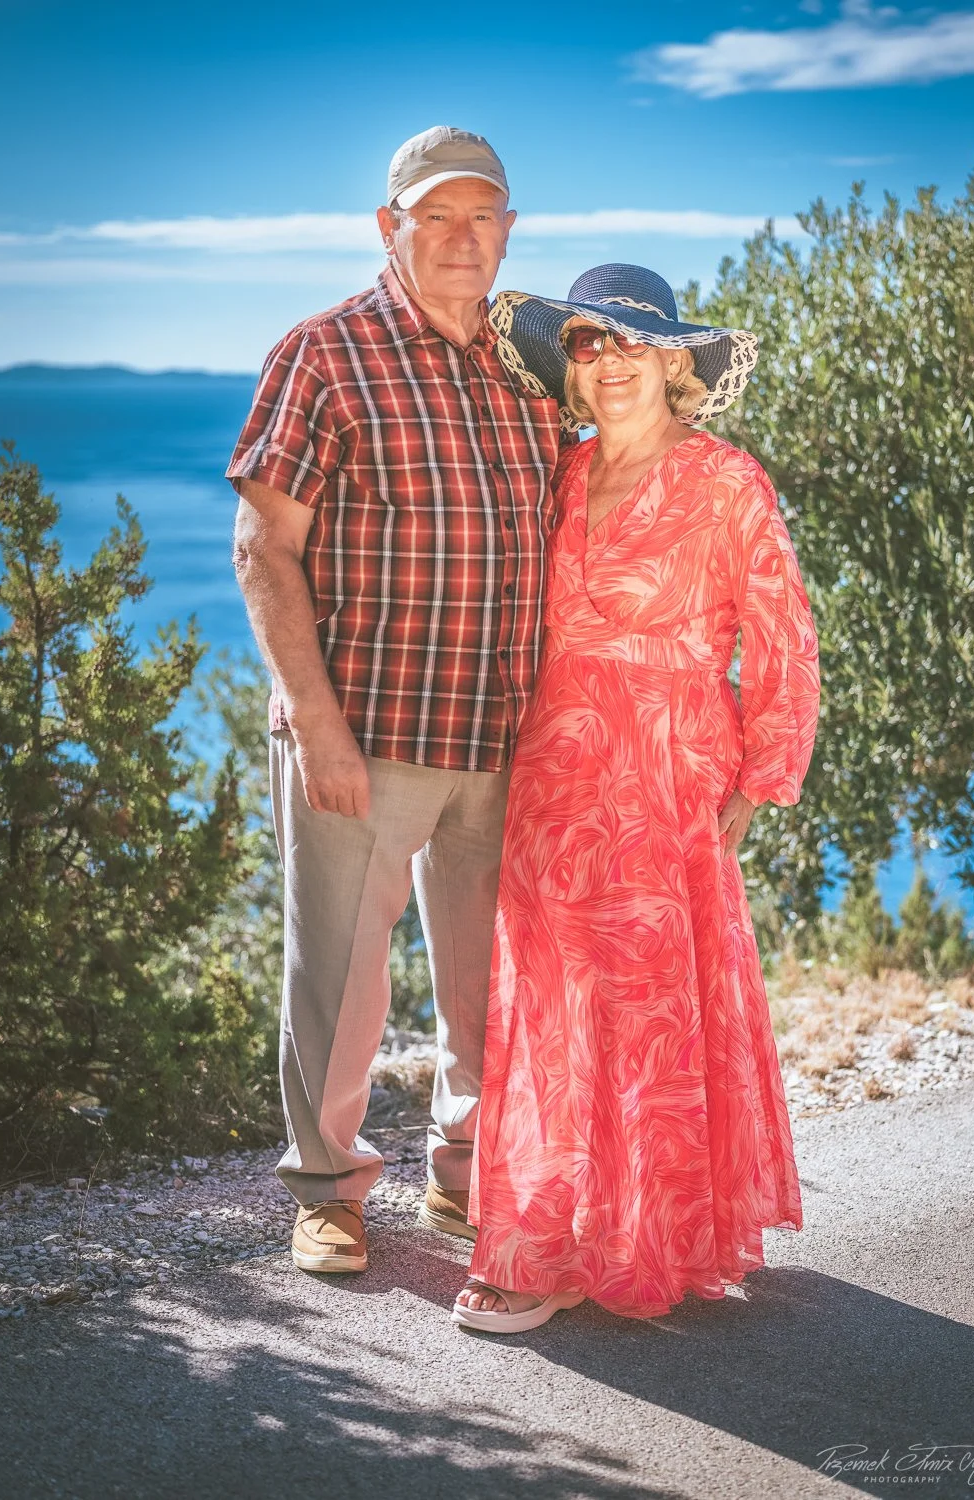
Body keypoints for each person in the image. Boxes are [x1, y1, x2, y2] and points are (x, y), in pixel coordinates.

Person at [451, 263, 821, 1332]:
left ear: (674, 363)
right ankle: (553, 1237)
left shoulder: (725, 480)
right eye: (586, 343)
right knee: (555, 1007)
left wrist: (763, 775)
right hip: (553, 774)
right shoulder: (558, 477)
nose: (608, 361)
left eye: (628, 342)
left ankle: (637, 1241)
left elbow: (784, 635)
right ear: (570, 368)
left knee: (649, 1012)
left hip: (669, 772)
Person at [227, 126, 569, 1274]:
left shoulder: (533, 366)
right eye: (437, 216)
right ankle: (327, 1189)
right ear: (391, 228)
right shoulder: (325, 354)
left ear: (510, 230)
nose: (463, 238)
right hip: (366, 735)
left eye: (484, 216)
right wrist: (313, 721)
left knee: (495, 982)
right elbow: (263, 549)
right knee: (339, 974)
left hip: (505, 734)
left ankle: (466, 1181)